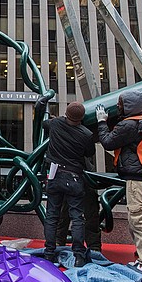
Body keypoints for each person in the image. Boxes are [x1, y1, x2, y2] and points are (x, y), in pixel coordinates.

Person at [95, 90, 142, 270]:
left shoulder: (129, 125)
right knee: (138, 218)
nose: (118, 107)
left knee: (140, 219)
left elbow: (108, 142)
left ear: (130, 107)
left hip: (137, 176)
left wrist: (102, 122)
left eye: (121, 104)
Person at [41, 101, 96, 267]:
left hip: (55, 174)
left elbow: (45, 124)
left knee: (52, 216)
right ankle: (78, 254)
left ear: (66, 113)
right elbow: (89, 153)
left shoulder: (56, 124)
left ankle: (49, 252)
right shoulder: (86, 134)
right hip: (74, 177)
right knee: (77, 217)